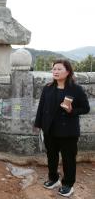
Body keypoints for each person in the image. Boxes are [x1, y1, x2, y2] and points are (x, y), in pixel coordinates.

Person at [34, 59, 90, 197]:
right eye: (54, 69)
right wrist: (38, 124)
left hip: (68, 131)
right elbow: (41, 108)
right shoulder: (47, 88)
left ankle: (68, 184)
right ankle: (53, 179)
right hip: (50, 130)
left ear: (68, 71)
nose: (56, 72)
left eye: (59, 69)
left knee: (68, 159)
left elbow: (86, 108)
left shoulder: (76, 89)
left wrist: (71, 110)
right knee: (51, 156)